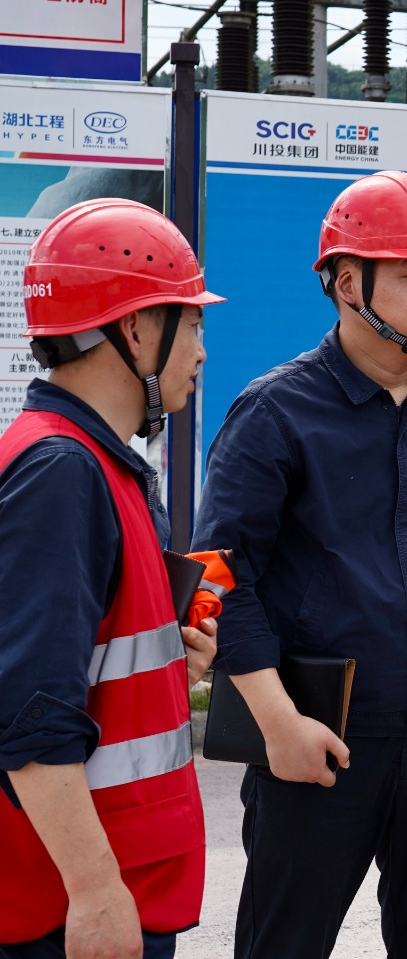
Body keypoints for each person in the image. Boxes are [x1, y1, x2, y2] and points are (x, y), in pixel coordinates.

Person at [192, 170, 407, 959]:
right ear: (348, 284)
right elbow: (219, 577)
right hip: (319, 735)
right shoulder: (275, 413)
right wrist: (279, 725)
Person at [0, 200, 223, 958]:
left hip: (114, 889)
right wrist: (96, 890)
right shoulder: (62, 472)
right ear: (135, 330)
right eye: (191, 323)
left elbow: (79, 671)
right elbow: (30, 713)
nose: (201, 351)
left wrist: (165, 670)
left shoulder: (100, 462)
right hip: (66, 910)